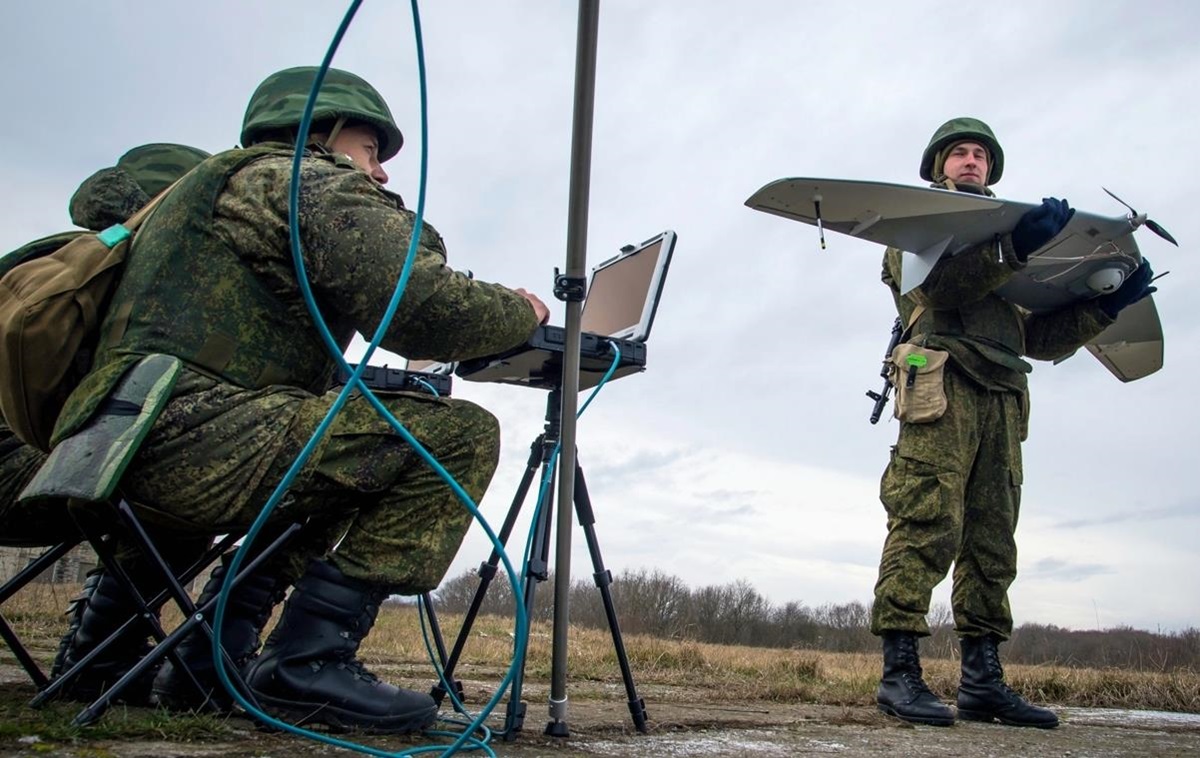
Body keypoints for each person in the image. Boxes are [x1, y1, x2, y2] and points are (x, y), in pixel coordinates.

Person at [44, 66, 549, 733]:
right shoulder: (299, 180)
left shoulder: (198, 196)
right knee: (456, 434)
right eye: (370, 150)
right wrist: (520, 312)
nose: (380, 173)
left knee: (337, 460)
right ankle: (306, 662)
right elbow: (422, 306)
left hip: (103, 450)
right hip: (188, 444)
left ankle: (190, 662)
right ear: (323, 132)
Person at [869, 117, 1156, 729]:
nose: (972, 160)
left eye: (980, 154)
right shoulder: (914, 228)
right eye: (960, 153)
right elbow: (939, 293)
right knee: (927, 517)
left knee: (993, 537)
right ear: (939, 166)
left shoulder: (1016, 252)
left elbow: (1039, 341)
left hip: (1003, 393)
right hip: (942, 381)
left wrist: (1105, 307)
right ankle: (899, 674)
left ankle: (982, 682)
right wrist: (1012, 249)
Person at [0, 143, 212, 705]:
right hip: (20, 470)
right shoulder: (114, 279)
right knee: (181, 465)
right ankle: (102, 655)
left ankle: (104, 652)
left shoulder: (55, 258)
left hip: (32, 464)